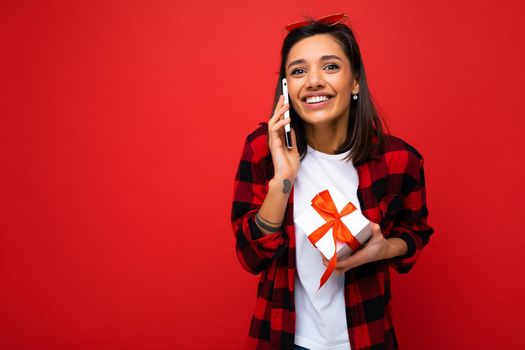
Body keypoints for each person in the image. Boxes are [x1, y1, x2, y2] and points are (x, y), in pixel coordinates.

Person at [231, 13, 434, 350]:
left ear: (355, 81)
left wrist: (385, 249)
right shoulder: (263, 149)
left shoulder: (399, 160)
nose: (313, 81)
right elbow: (250, 258)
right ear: (286, 87)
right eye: (298, 71)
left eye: (330, 67)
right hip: (286, 338)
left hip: (366, 338)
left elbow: (415, 234)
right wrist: (283, 177)